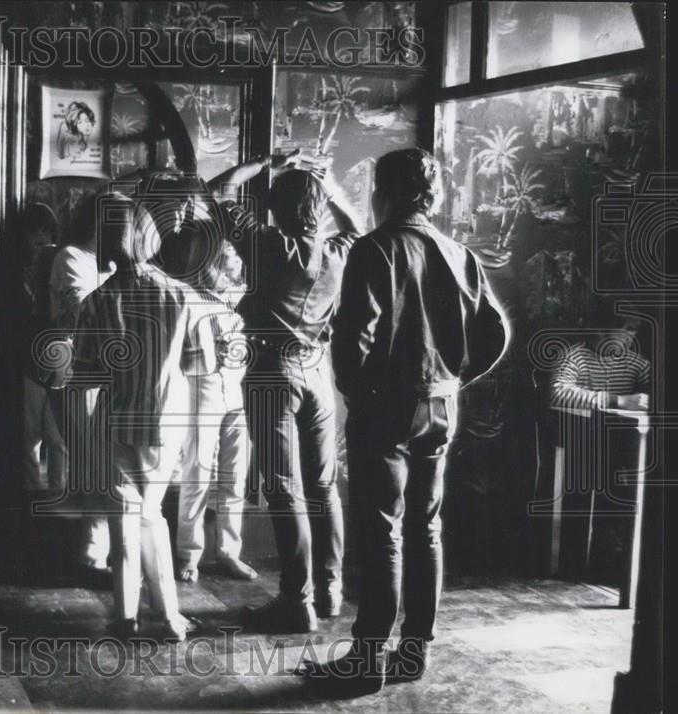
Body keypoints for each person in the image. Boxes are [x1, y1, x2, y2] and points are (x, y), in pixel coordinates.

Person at [313, 148, 509, 694]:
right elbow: (496, 334)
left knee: (381, 533)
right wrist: (454, 378)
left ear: (385, 193)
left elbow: (355, 338)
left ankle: (367, 659)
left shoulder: (374, 250)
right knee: (426, 529)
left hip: (387, 406)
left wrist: (359, 393)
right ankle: (413, 654)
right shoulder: (458, 252)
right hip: (442, 405)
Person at [207, 150, 360, 633]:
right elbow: (357, 224)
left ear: (276, 208)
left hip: (273, 370)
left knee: (283, 488)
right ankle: (329, 591)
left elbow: (218, 191)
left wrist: (265, 160)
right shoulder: (339, 252)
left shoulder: (268, 244)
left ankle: (296, 601)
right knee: (322, 486)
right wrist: (329, 182)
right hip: (319, 372)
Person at [72, 192, 204, 641]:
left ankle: (126, 617)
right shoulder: (183, 296)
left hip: (115, 421)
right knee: (153, 516)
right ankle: (167, 617)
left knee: (124, 521)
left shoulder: (95, 301)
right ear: (147, 235)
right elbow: (199, 365)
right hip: (166, 423)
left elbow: (85, 374)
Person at [166, 221, 257, 583]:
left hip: (235, 391)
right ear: (209, 264)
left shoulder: (240, 297)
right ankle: (189, 553)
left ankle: (228, 551)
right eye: (228, 258)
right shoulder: (186, 298)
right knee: (197, 473)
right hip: (201, 389)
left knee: (235, 476)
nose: (235, 262)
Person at [48, 195, 115, 573]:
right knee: (91, 462)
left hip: (111, 371)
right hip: (78, 367)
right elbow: (82, 312)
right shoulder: (70, 257)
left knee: (106, 463)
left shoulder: (112, 265)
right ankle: (91, 555)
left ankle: (100, 550)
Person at [22, 203, 67, 492]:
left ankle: (58, 494)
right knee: (28, 436)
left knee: (57, 436)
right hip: (29, 356)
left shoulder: (59, 261)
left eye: (46, 230)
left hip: (58, 354)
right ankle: (28, 494)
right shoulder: (21, 271)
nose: (41, 236)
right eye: (35, 231)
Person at [550, 315, 650, 411]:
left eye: (632, 338)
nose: (629, 344)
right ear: (601, 331)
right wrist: (617, 400)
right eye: (625, 338)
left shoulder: (638, 364)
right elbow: (557, 394)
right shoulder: (573, 357)